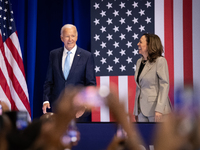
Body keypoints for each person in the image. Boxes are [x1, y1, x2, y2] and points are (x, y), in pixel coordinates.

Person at [42, 24, 96, 122]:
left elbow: (91, 85)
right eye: (67, 36)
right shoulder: (53, 54)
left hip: (78, 110)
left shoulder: (87, 56)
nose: (70, 39)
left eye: (73, 36)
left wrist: (84, 106)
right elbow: (49, 81)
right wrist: (46, 100)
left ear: (77, 37)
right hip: (58, 108)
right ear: (62, 38)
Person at [133, 33, 171, 122]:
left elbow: (164, 86)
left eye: (140, 42)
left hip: (156, 111)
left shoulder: (160, 61)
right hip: (141, 111)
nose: (138, 44)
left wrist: (159, 109)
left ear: (149, 45)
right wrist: (136, 110)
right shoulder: (139, 62)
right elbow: (139, 88)